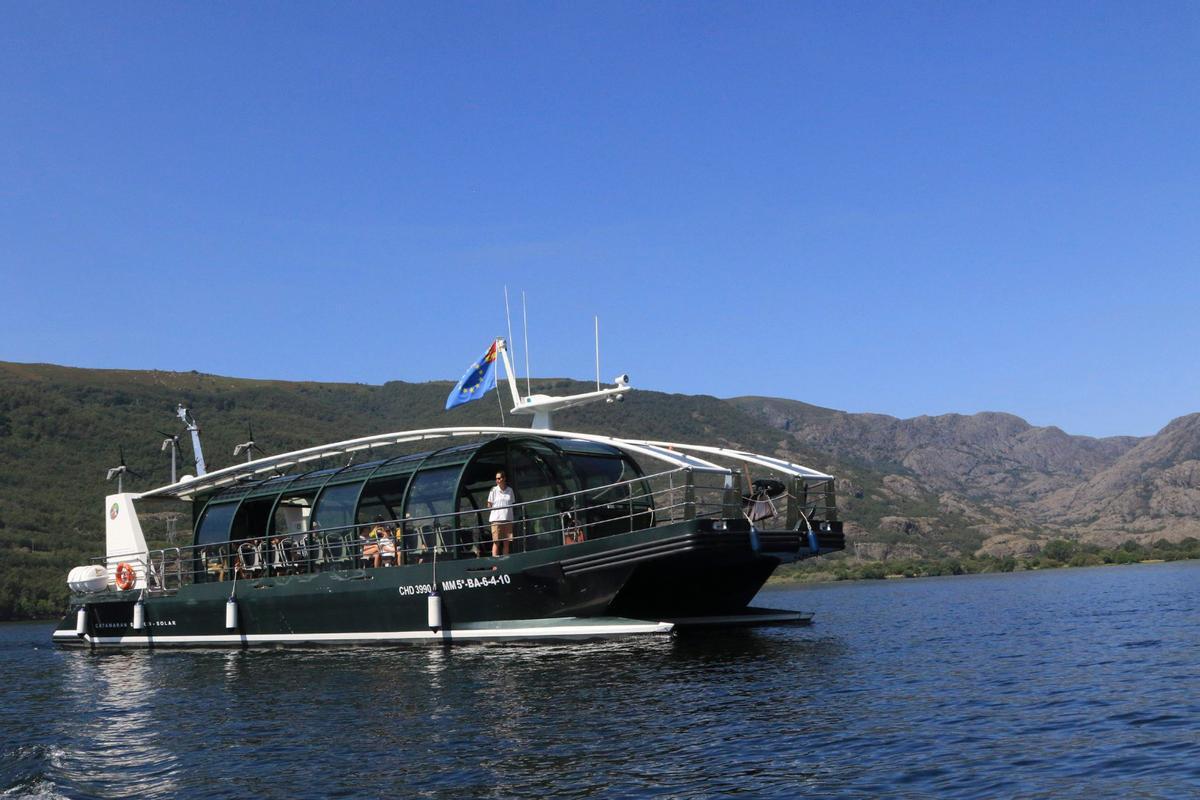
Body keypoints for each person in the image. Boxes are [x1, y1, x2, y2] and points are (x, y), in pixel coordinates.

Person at [487, 471, 516, 557]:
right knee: (496, 543)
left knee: (506, 543)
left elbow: (512, 503)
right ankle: (495, 565)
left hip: (507, 519)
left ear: (504, 478)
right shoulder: (493, 490)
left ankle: (505, 564)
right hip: (496, 520)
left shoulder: (510, 490)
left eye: (499, 478)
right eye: (496, 479)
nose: (498, 480)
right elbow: (489, 504)